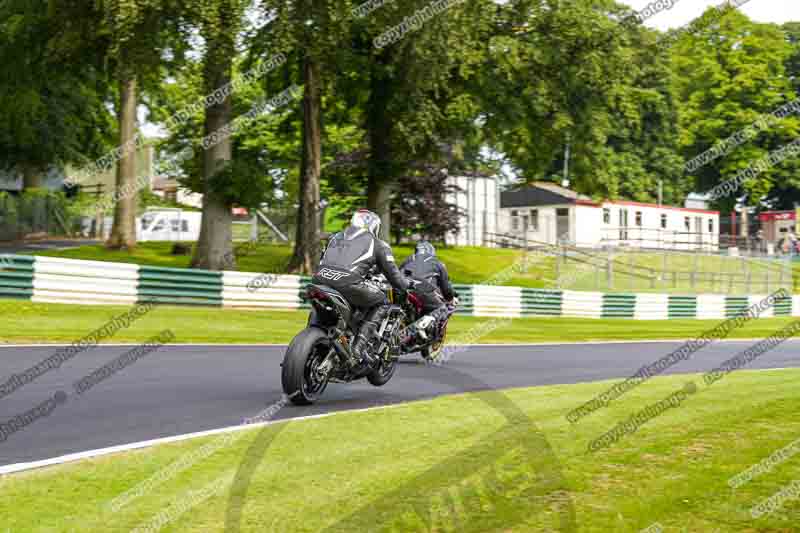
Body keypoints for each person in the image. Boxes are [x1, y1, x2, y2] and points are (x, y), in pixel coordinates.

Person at [312, 209, 414, 366]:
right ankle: (357, 350)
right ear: (373, 226)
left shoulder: (335, 237)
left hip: (319, 279)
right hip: (348, 283)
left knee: (320, 304)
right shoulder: (378, 244)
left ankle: (313, 335)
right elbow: (395, 277)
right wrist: (407, 285)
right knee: (383, 302)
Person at [400, 241, 457, 345]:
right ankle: (421, 325)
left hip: (402, 287)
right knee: (443, 309)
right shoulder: (437, 263)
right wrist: (451, 298)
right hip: (422, 289)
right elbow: (446, 288)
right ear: (432, 251)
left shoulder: (408, 259)